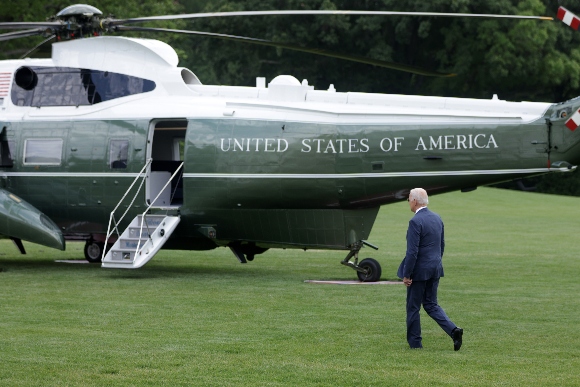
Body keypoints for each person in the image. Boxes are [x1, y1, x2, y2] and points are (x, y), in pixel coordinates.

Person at [397, 188, 463, 350]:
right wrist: (435, 263)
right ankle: (453, 330)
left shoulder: (415, 221)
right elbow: (441, 245)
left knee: (413, 307)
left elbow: (412, 252)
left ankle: (415, 343)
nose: (409, 203)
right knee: (431, 304)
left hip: (419, 271)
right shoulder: (436, 218)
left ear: (414, 201)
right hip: (435, 268)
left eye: (409, 200)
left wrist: (407, 274)